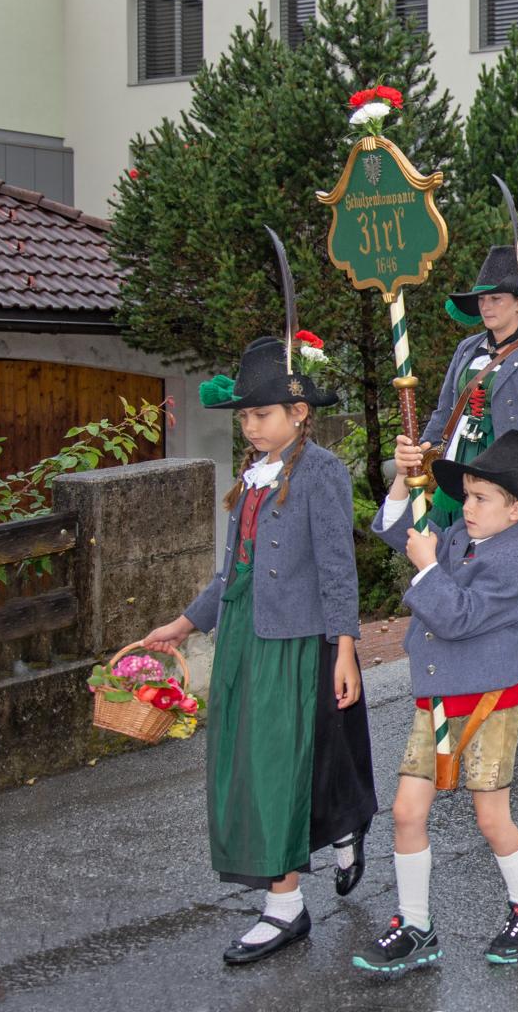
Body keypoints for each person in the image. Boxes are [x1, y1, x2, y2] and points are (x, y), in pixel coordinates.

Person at [144, 334, 375, 965]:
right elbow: (233, 573)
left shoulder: (321, 471)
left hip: (294, 646)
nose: (250, 426)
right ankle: (344, 826)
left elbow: (337, 568)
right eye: (244, 416)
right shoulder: (252, 479)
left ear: (299, 413)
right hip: (244, 640)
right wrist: (182, 625)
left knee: (278, 770)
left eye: (262, 414)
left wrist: (345, 647)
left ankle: (285, 909)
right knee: (253, 768)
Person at [359, 430, 518, 972]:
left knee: (491, 817)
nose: (465, 507)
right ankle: (415, 924)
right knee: (405, 813)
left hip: (488, 703)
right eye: (465, 495)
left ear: (517, 509)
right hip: (436, 702)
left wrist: (426, 569)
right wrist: (403, 477)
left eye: (480, 498)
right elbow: (398, 530)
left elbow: (459, 616)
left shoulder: (515, 558)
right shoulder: (455, 538)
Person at [403, 243, 518, 683]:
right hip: (460, 468)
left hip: (510, 474)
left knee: (503, 565)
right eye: (482, 299)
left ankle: (509, 665)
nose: (488, 306)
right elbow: (444, 413)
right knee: (450, 553)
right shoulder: (466, 350)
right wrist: (423, 454)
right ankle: (455, 656)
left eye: (497, 298)